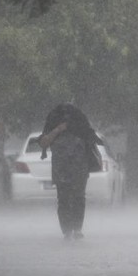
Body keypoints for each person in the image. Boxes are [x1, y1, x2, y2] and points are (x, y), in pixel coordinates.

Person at [38, 103, 103, 241]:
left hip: (77, 166)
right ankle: (68, 231)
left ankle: (76, 229)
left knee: (75, 197)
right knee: (65, 198)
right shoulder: (55, 122)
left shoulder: (79, 124)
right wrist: (58, 130)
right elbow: (44, 142)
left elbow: (90, 139)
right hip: (64, 167)